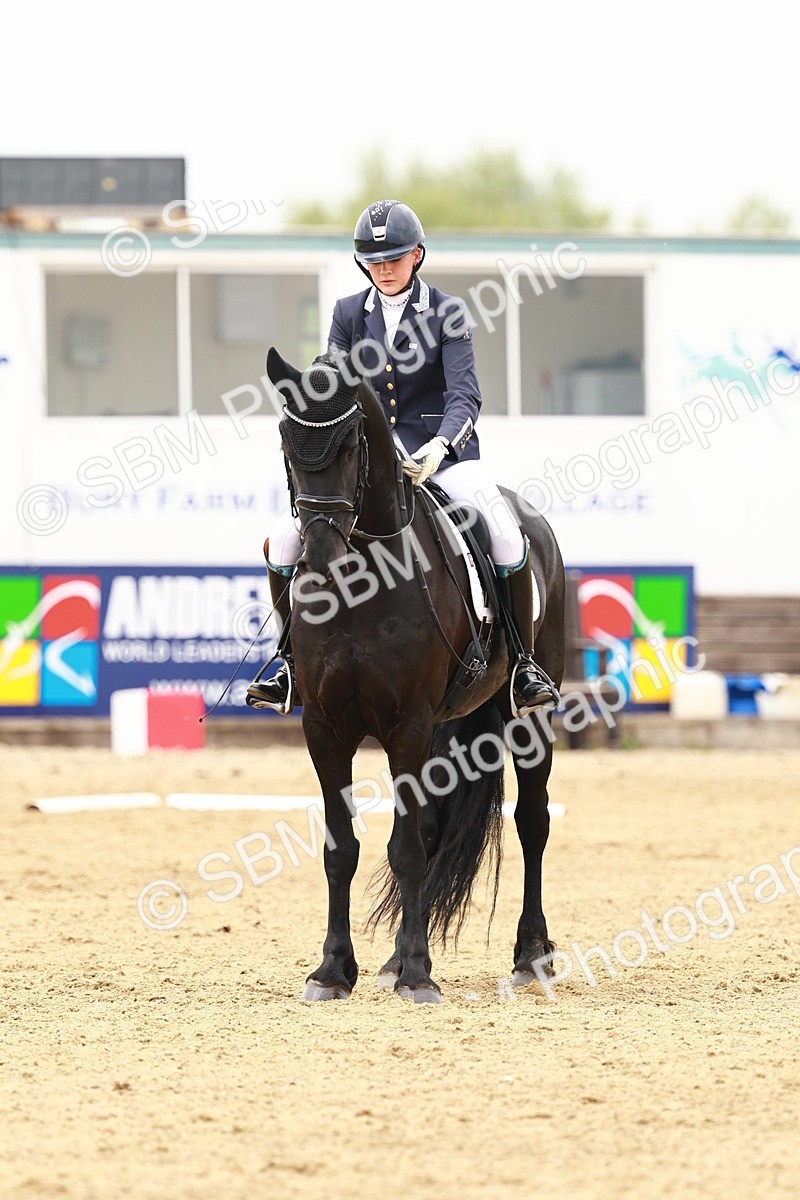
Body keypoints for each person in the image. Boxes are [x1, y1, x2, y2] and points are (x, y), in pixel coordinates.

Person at [246, 200, 559, 717]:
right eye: (374, 261)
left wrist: (440, 446)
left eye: (394, 258)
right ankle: (288, 665)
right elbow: (334, 384)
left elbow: (465, 395)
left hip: (444, 457)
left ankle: (523, 666)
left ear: (417, 255)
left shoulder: (447, 312)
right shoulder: (349, 313)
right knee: (282, 541)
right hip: (369, 467)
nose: (384, 269)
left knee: (506, 536)